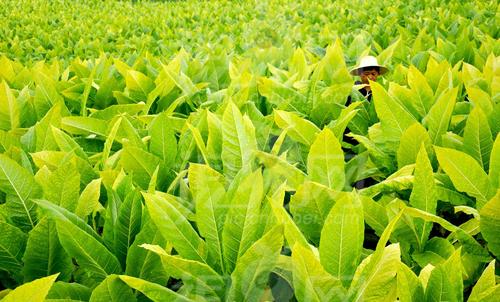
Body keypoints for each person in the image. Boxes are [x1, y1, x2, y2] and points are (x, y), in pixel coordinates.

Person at [344, 56, 389, 189]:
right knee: (353, 171)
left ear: (378, 75)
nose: (370, 77)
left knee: (369, 175)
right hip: (352, 141)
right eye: (366, 73)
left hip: (374, 141)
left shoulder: (380, 92)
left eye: (373, 74)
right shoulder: (352, 91)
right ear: (360, 75)